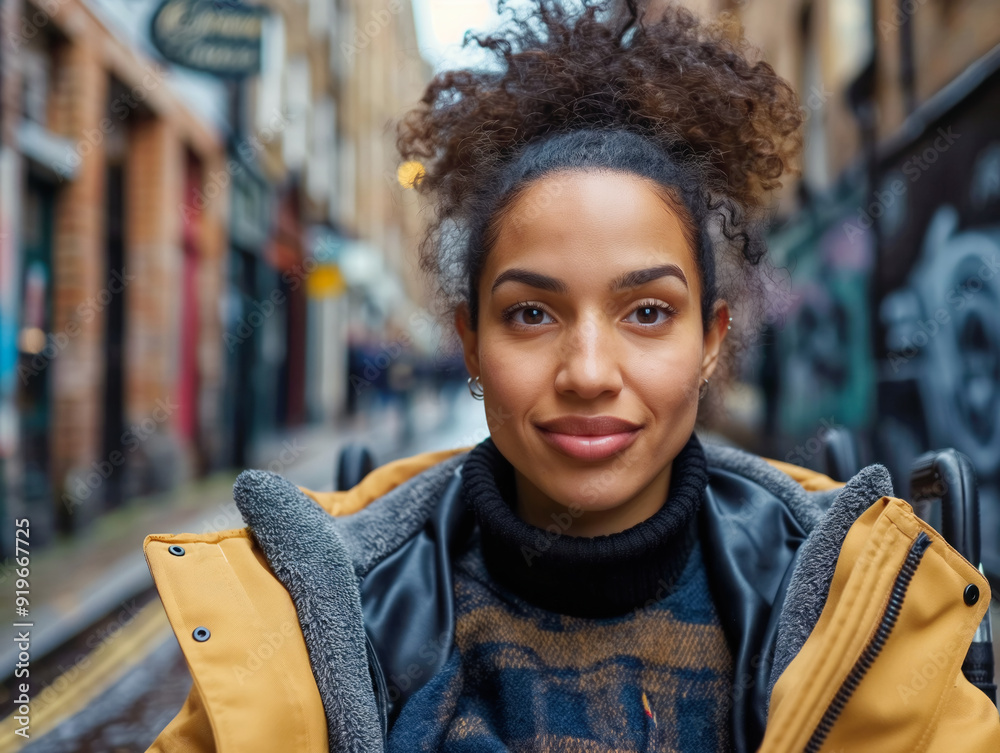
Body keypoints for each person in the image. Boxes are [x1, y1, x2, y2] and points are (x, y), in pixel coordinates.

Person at [143, 2, 999, 751]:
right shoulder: (315, 611)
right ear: (470, 345)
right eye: (531, 313)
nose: (588, 372)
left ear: (711, 339)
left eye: (648, 312)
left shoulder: (850, 603)